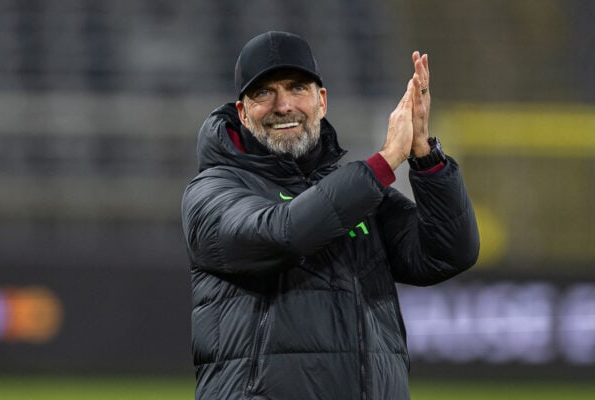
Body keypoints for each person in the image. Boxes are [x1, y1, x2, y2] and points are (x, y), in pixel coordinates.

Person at [181, 31, 479, 400]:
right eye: (263, 93)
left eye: (297, 88)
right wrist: (384, 162)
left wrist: (425, 157)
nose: (283, 105)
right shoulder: (214, 190)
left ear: (321, 102)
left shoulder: (357, 191)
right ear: (242, 112)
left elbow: (449, 253)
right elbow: (283, 234)